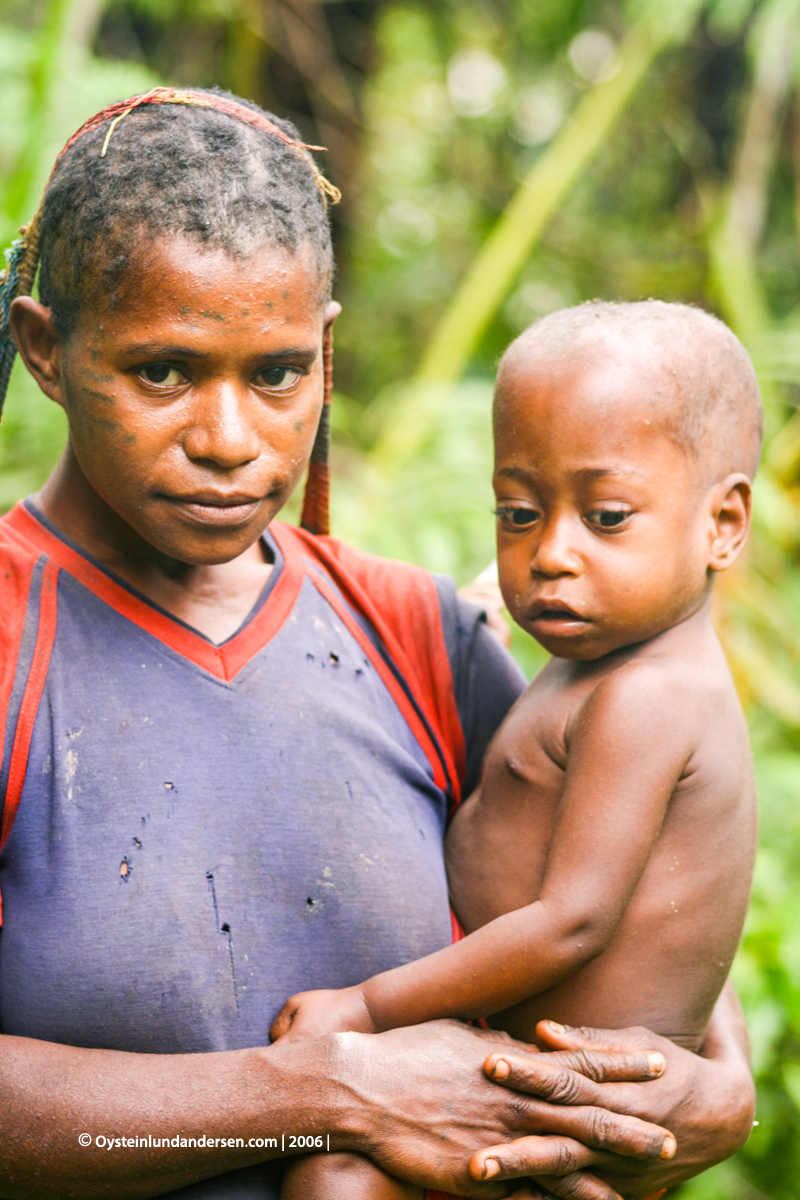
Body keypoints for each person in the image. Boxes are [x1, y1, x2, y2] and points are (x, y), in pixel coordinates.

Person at [0, 89, 755, 1199]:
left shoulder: (413, 636)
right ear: (46, 351)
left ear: (326, 352)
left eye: (276, 373)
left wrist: (711, 1088)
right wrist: (322, 1091)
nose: (227, 440)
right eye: (162, 371)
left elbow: (631, 880)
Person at [271, 301, 760, 1200]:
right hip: (517, 1076)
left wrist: (367, 1008)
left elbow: (573, 919)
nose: (551, 555)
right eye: (520, 511)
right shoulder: (606, 658)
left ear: (722, 524)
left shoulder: (646, 694)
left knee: (334, 1178)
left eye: (607, 516)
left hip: (553, 1104)